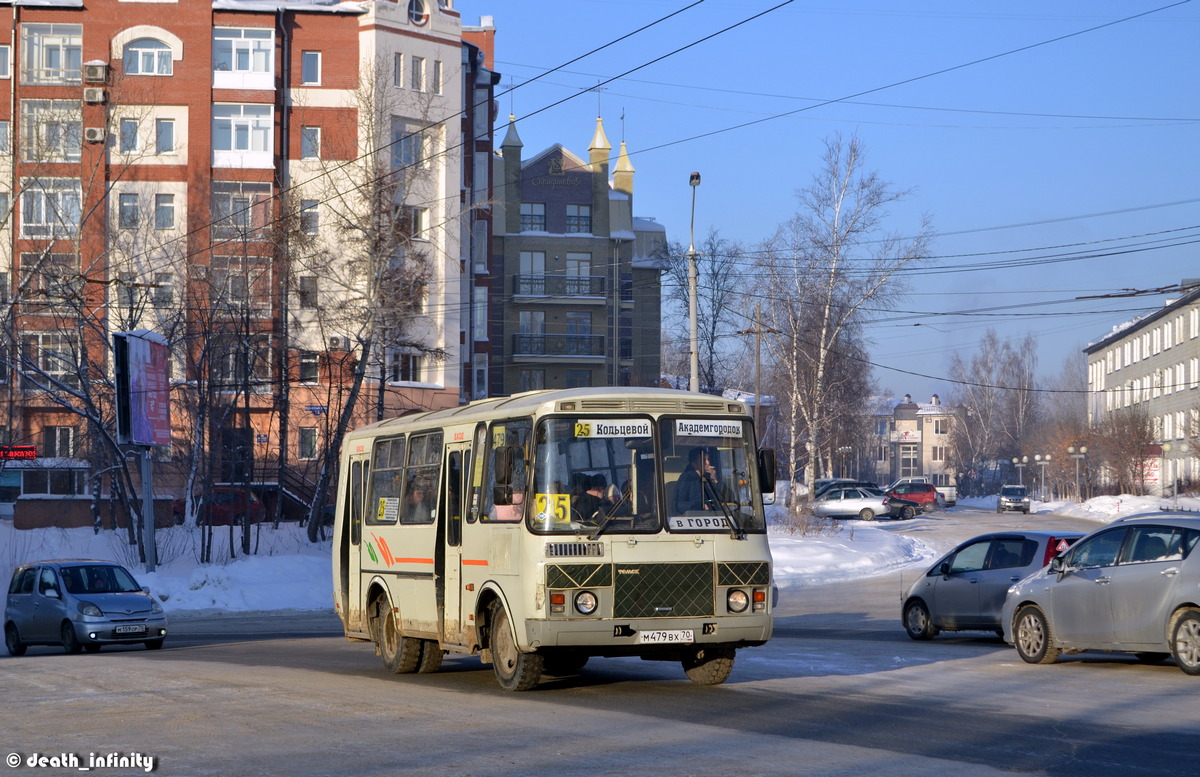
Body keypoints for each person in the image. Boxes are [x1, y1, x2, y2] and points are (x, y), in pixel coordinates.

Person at [673, 447, 720, 513]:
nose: (708, 463)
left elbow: (725, 498)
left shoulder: (708, 478)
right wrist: (699, 506)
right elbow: (678, 505)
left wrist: (715, 481)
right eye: (703, 460)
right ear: (694, 464)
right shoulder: (687, 478)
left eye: (708, 459)